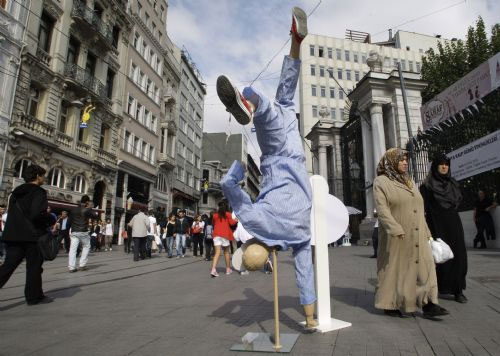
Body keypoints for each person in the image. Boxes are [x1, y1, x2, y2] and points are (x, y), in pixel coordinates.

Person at [217, 7, 318, 329]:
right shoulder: (257, 221)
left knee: (280, 102)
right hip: (279, 155)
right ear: (253, 246)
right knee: (269, 108)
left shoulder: (299, 233)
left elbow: (306, 273)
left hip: (292, 159)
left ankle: (295, 42)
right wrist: (235, 170)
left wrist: (310, 318)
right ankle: (249, 104)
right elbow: (231, 190)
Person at [373, 148, 448, 319]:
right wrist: (395, 229)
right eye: (401, 160)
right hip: (397, 236)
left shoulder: (410, 182)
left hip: (419, 233)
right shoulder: (381, 182)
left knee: (425, 267)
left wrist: (428, 233)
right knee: (395, 270)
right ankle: (389, 303)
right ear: (391, 162)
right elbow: (382, 210)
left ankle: (429, 304)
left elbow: (420, 210)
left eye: (406, 160)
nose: (405, 162)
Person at [0, 164, 53, 305]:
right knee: (34, 267)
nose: (44, 178)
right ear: (37, 177)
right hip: (32, 236)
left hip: (13, 235)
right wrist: (50, 218)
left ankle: (35, 295)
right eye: (42, 176)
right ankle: (33, 297)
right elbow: (36, 214)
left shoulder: (16, 192)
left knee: (8, 266)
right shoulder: (38, 192)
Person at [420, 153, 468, 303]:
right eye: (441, 164)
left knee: (458, 255)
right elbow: (423, 208)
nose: (444, 166)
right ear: (435, 166)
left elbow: (457, 203)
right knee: (439, 256)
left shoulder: (453, 183)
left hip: (454, 223)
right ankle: (438, 287)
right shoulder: (427, 186)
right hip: (436, 224)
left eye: (446, 164)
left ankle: (458, 290)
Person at [68, 195, 97, 272]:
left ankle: (71, 267)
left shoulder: (73, 210)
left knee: (72, 249)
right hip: (83, 232)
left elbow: (69, 221)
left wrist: (69, 230)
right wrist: (90, 208)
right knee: (86, 246)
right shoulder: (86, 210)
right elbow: (95, 216)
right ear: (87, 202)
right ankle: (82, 265)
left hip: (74, 232)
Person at [210, 201, 238, 277]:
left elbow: (213, 223)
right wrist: (236, 220)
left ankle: (213, 269)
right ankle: (228, 269)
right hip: (225, 235)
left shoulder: (215, 215)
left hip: (216, 235)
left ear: (218, 207)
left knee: (217, 252)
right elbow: (232, 223)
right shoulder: (228, 214)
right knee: (226, 252)